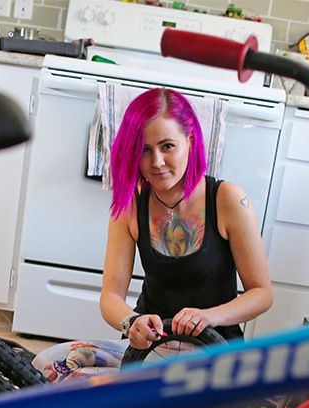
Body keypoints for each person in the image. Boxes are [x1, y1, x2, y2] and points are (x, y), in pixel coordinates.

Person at [99, 87, 272, 350]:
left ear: (190, 141)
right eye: (144, 150)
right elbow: (110, 297)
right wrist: (131, 322)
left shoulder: (228, 199)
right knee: (54, 364)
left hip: (213, 349)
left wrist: (208, 317)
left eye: (167, 146)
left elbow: (262, 294)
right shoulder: (130, 205)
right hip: (149, 348)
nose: (156, 162)